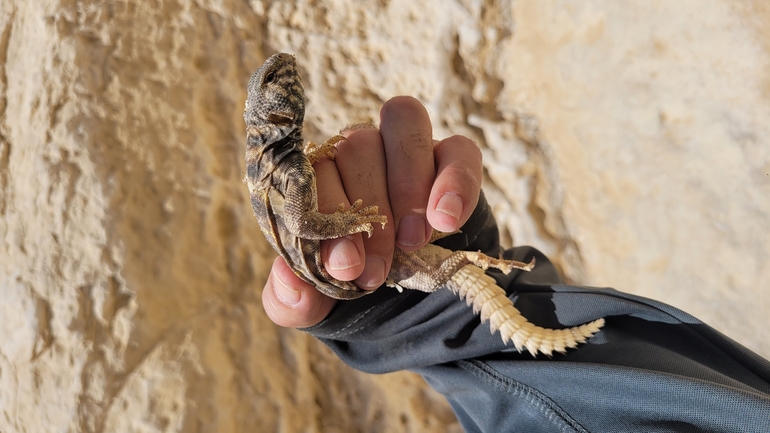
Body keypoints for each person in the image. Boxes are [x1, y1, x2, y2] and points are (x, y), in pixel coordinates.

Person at [261, 96, 770, 432]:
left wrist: (402, 315)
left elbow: (555, 399)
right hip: (425, 279)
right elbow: (594, 376)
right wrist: (430, 289)